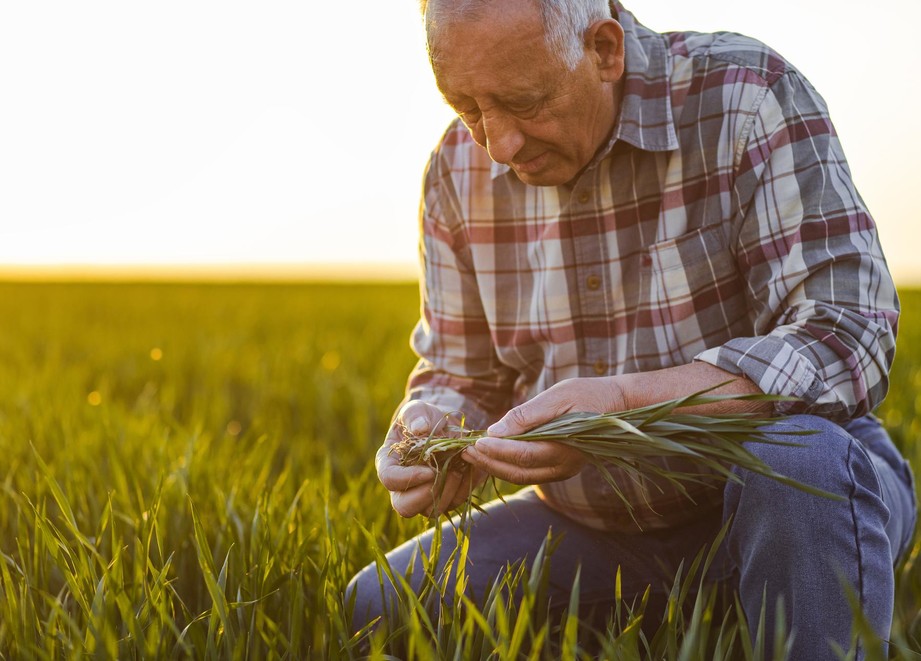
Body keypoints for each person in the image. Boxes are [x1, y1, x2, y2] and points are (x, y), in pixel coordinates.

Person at [348, 0, 917, 656]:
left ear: (603, 51)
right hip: (597, 525)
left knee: (798, 456)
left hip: (786, 503)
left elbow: (847, 334)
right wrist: (431, 427)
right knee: (379, 604)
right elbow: (461, 372)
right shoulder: (455, 172)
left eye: (524, 101)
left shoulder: (746, 97)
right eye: (465, 106)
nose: (496, 144)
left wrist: (619, 407)